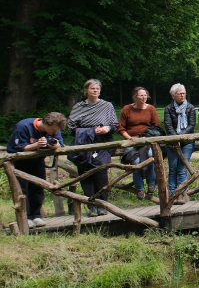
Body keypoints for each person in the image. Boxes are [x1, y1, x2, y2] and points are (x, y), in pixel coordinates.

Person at [67, 79, 120, 216]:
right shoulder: (79, 106)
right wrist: (90, 131)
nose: (95, 91)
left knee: (101, 171)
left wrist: (107, 129)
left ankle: (103, 205)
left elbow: (115, 125)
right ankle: (91, 205)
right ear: (86, 90)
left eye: (97, 88)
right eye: (92, 88)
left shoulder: (106, 105)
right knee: (85, 172)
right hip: (83, 141)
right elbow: (71, 128)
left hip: (102, 141)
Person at [6, 112, 66, 228]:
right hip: (20, 161)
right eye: (53, 130)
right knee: (23, 189)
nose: (54, 133)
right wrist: (37, 145)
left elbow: (61, 145)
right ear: (45, 123)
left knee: (38, 188)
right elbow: (20, 148)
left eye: (56, 131)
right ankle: (26, 217)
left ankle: (36, 215)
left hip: (38, 161)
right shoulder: (23, 126)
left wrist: (55, 146)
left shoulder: (55, 129)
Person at [118, 87, 161, 200]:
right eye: (141, 95)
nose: (143, 97)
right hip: (131, 140)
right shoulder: (126, 109)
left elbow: (156, 126)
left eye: (145, 95)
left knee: (151, 156)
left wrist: (148, 137)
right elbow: (121, 129)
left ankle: (151, 182)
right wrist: (130, 139)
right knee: (135, 161)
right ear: (134, 96)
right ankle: (139, 188)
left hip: (147, 140)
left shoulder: (151, 109)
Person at [163, 84, 197, 205]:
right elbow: (168, 125)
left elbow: (191, 125)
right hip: (172, 142)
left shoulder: (190, 107)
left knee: (182, 168)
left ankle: (181, 194)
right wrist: (175, 138)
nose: (182, 95)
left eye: (184, 93)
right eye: (180, 93)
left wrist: (181, 137)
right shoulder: (168, 108)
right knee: (172, 168)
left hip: (187, 142)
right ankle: (172, 194)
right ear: (173, 96)